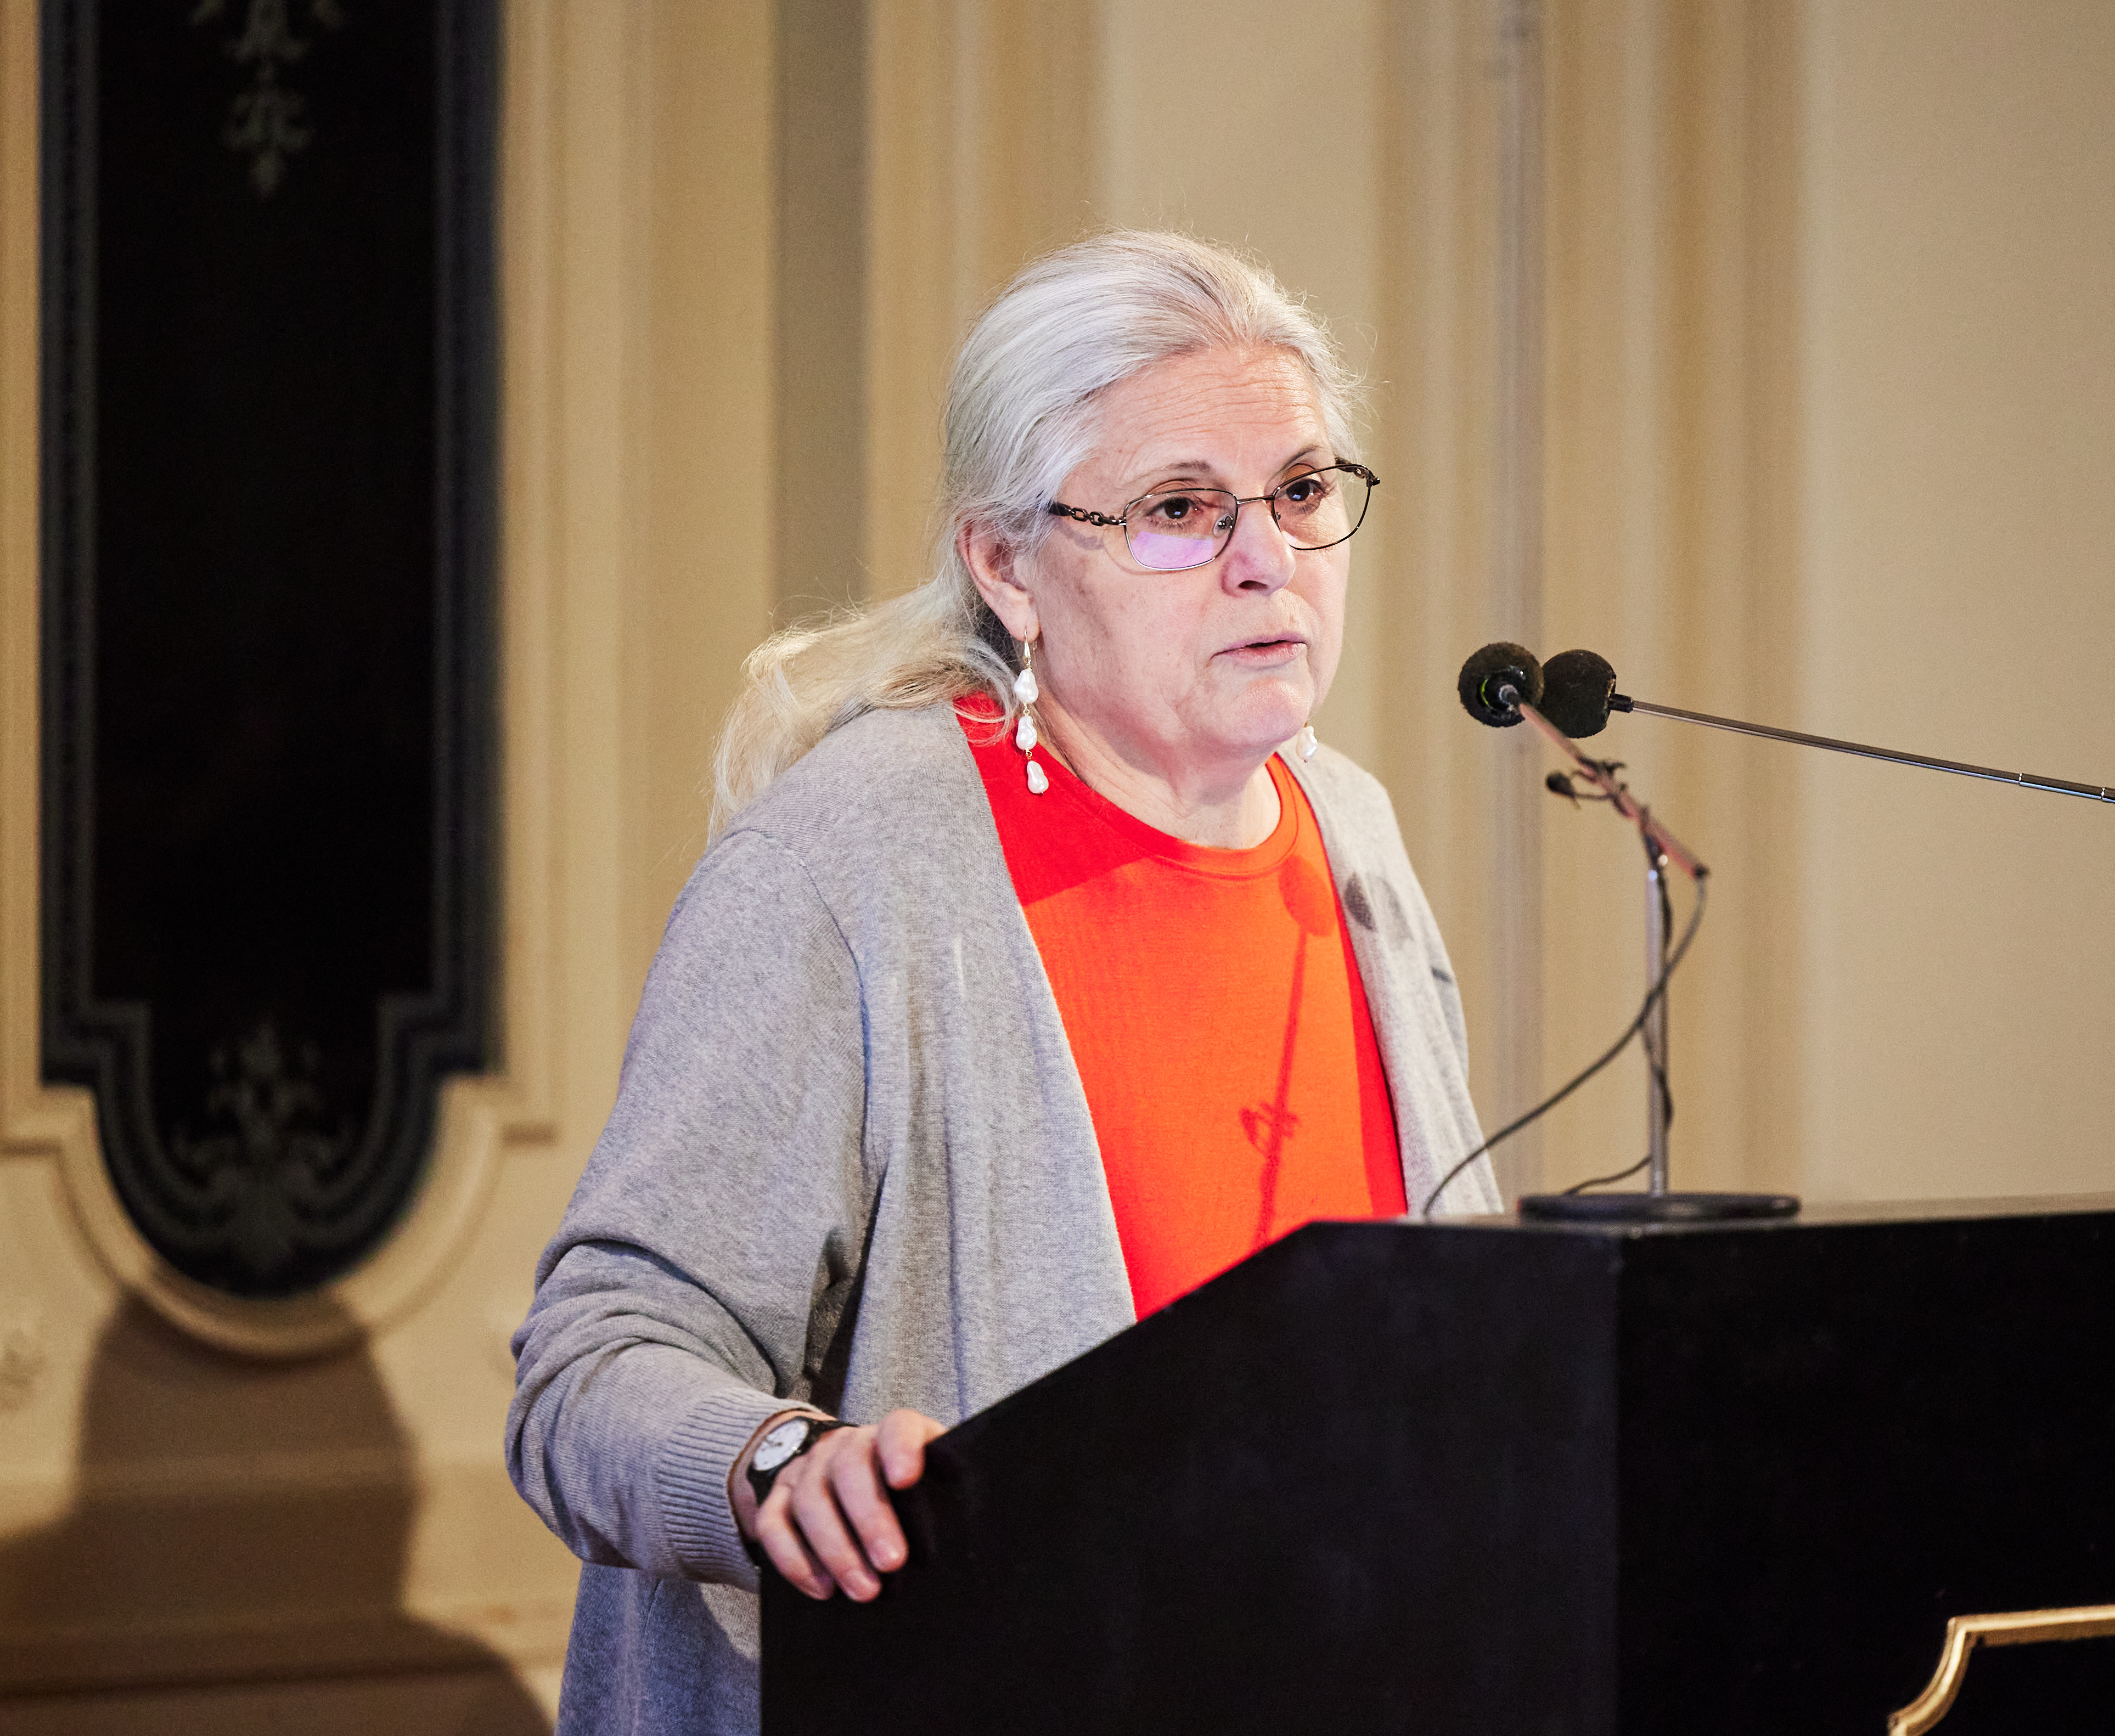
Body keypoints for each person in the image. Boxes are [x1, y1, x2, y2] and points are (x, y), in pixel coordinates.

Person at [505, 230, 1499, 1734]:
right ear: (1006, 565)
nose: (1267, 561)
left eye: (1302, 491)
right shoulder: (849, 863)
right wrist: (779, 1467)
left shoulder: (1351, 832)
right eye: (1180, 509)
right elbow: (591, 1365)